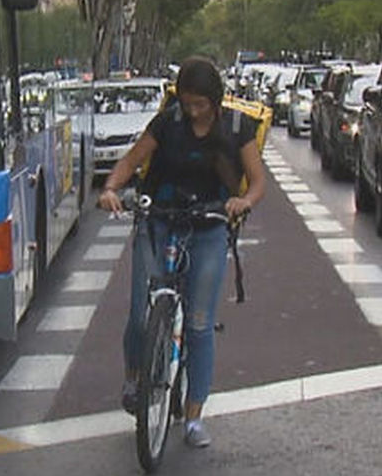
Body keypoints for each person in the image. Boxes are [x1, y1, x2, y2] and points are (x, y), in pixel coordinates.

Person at [97, 56, 266, 448]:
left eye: (200, 104)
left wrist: (243, 203)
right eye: (187, 102)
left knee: (199, 323)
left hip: (208, 228)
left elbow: (257, 182)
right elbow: (131, 161)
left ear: (215, 101)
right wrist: (110, 189)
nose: (192, 111)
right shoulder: (167, 123)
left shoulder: (237, 129)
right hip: (159, 220)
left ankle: (193, 418)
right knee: (142, 314)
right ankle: (136, 377)